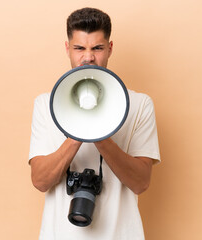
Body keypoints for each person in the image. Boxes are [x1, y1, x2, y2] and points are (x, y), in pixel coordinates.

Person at [28, 7, 160, 240]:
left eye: (97, 48)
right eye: (79, 48)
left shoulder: (140, 104)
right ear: (68, 49)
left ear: (109, 48)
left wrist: (101, 131)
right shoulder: (45, 104)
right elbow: (40, 180)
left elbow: (141, 183)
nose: (88, 57)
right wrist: (78, 129)